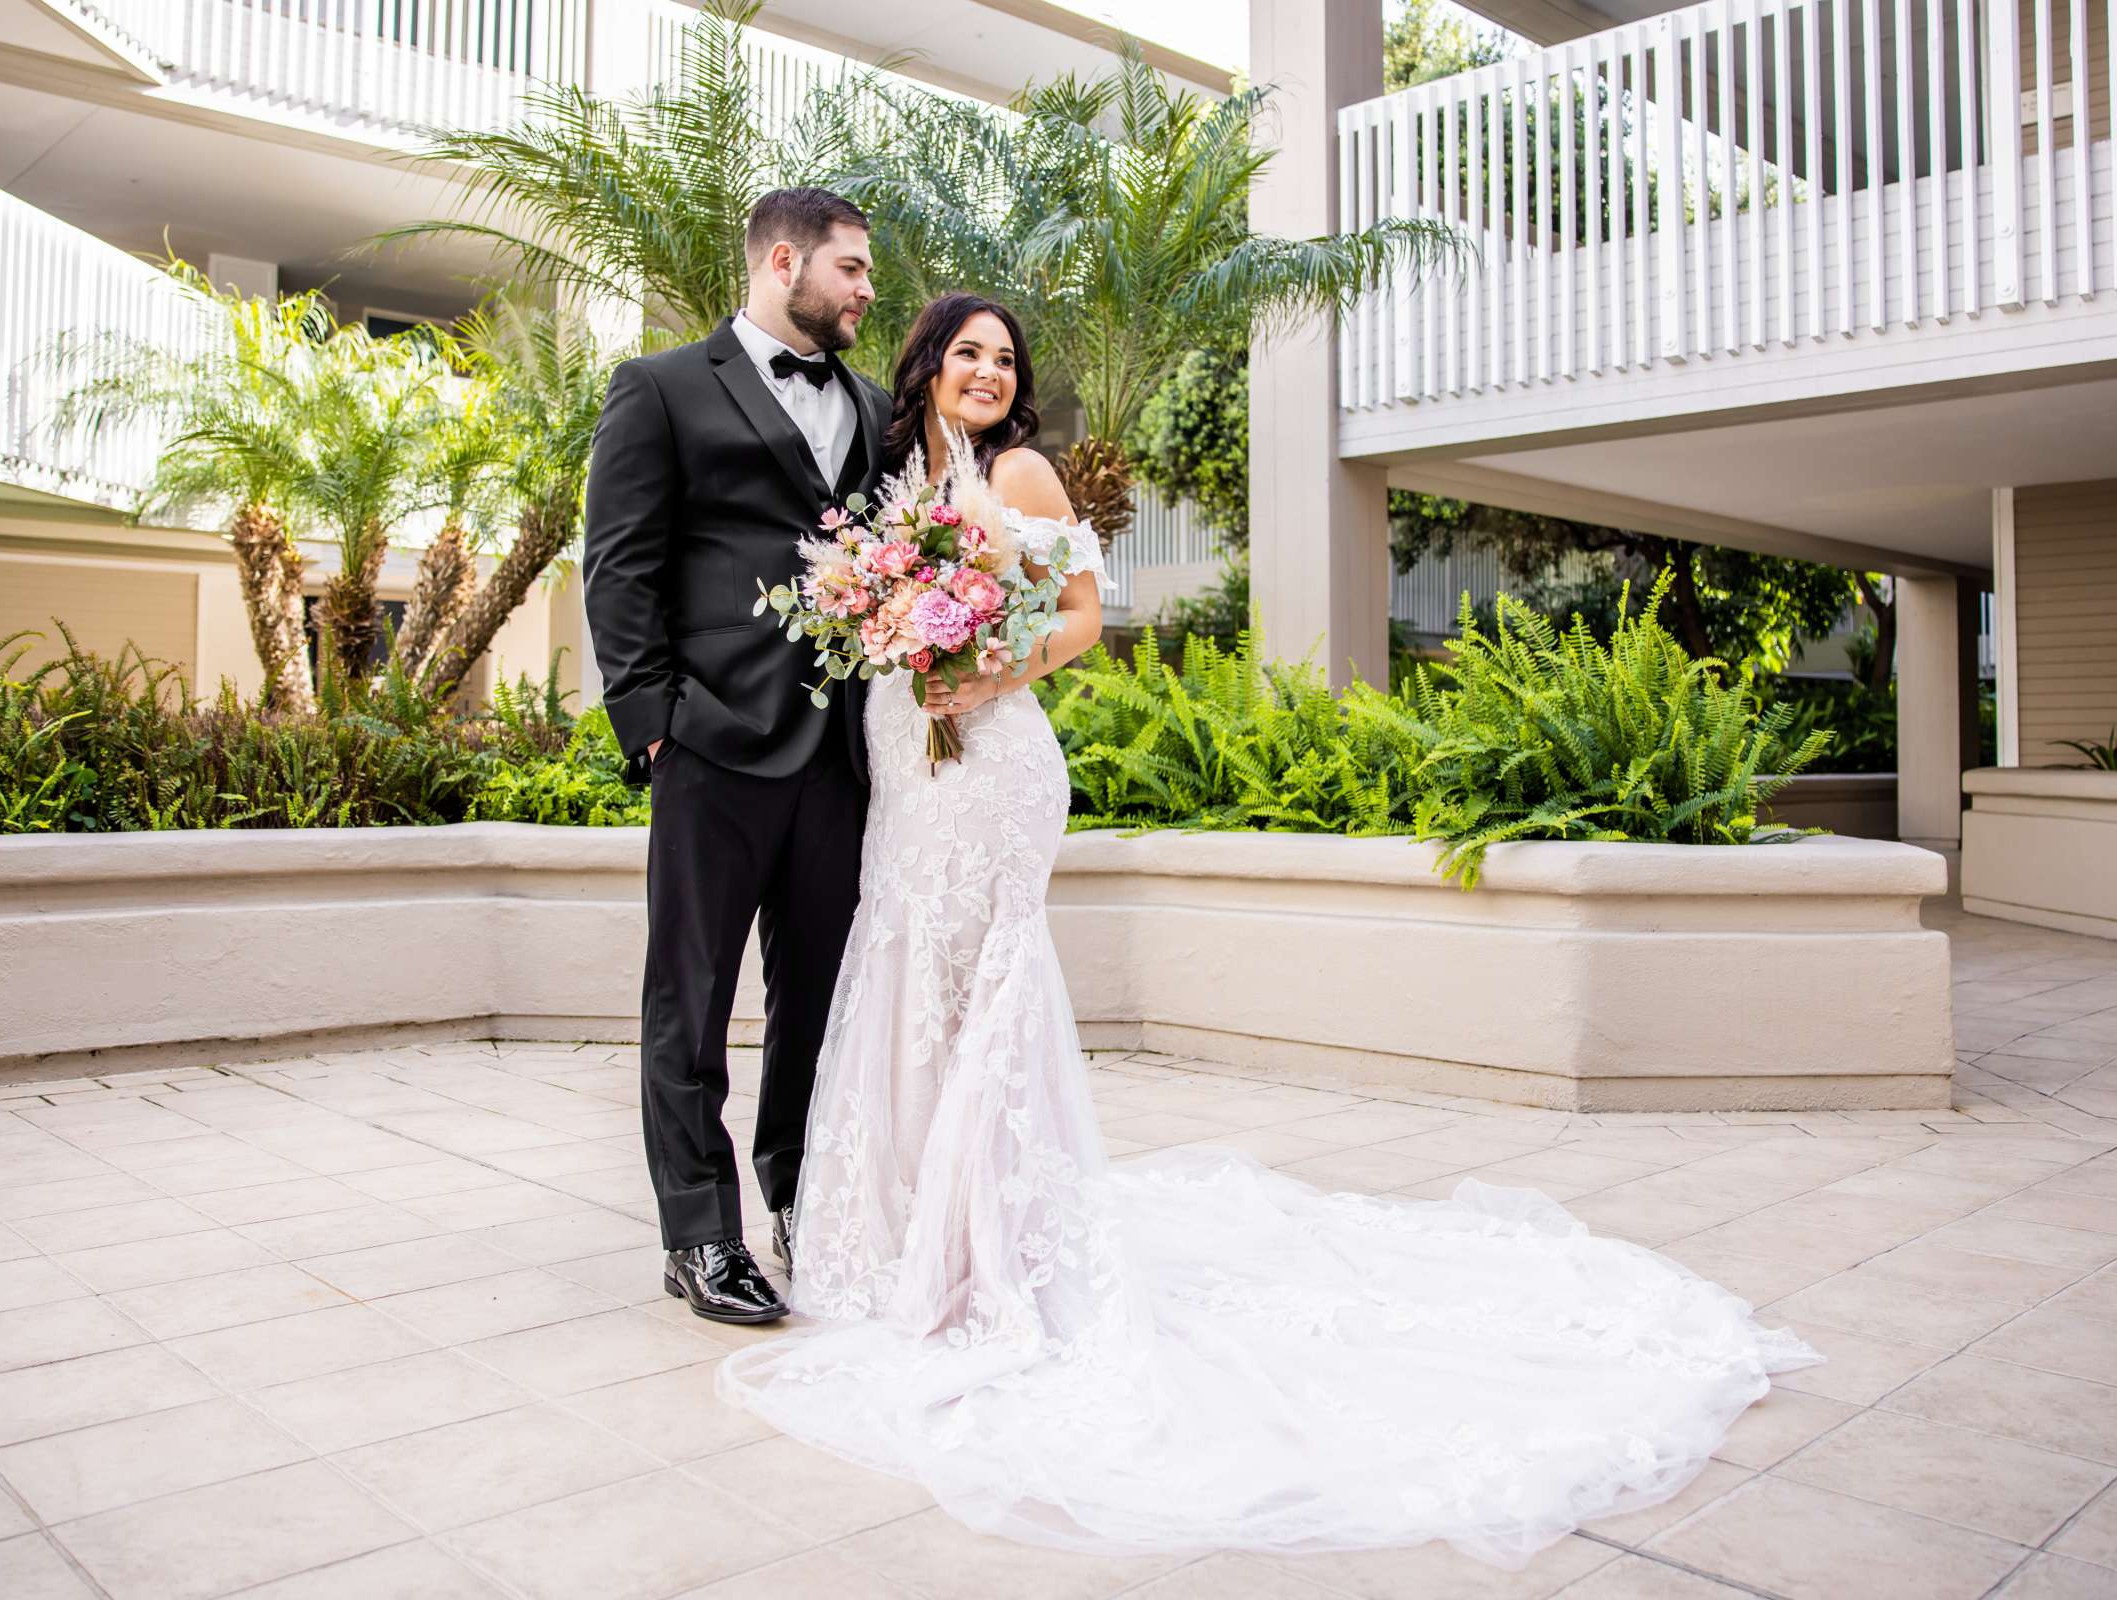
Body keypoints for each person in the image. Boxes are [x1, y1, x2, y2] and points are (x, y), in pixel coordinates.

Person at [715, 291, 1824, 1570]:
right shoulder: (898, 467)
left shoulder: (1022, 466)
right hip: (907, 757)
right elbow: (866, 604)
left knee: (986, 982)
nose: (985, 370)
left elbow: (1078, 611)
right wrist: (895, 631)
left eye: (1004, 357)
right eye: (967, 350)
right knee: (911, 965)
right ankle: (905, 1229)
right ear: (925, 362)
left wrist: (991, 668)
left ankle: (991, 1252)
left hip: (995, 757)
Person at [581, 187, 890, 1324]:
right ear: (780, 260)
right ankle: (699, 1234)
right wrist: (654, 720)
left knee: (816, 998)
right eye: (851, 269)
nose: (866, 290)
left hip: (840, 753)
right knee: (693, 999)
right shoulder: (659, 387)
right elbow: (618, 565)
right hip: (711, 741)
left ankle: (800, 1197)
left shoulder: (865, 403)